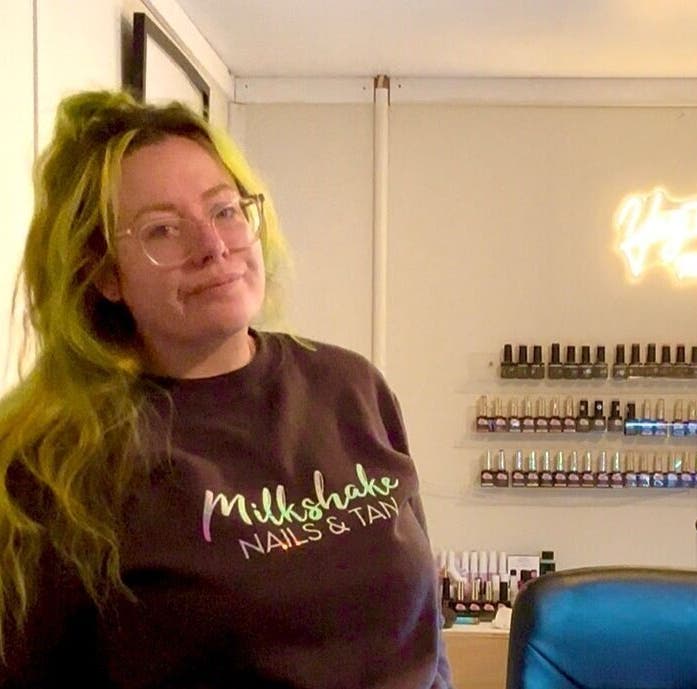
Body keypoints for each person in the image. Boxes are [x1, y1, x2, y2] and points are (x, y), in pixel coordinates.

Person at [0, 90, 452, 688]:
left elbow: (425, 637)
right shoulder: (55, 463)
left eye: (225, 210)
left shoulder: (352, 386)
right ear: (106, 273)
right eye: (163, 230)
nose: (214, 247)